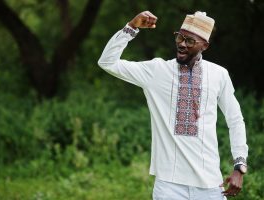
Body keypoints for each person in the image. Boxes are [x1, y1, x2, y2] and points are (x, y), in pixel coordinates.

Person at [98, 11, 248, 200]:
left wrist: (239, 166)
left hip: (210, 184)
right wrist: (132, 27)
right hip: (169, 186)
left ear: (205, 46)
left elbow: (235, 120)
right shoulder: (157, 71)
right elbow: (107, 62)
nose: (182, 44)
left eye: (190, 41)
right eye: (179, 37)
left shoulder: (219, 75)